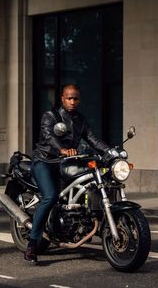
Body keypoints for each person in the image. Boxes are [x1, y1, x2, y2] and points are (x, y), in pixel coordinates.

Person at [24, 84, 110, 262]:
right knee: (50, 196)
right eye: (69, 98)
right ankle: (32, 244)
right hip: (45, 161)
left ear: (79, 99)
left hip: (66, 163)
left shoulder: (80, 119)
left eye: (75, 98)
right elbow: (49, 136)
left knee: (88, 185)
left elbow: (93, 138)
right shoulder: (50, 116)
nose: (72, 101)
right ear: (62, 98)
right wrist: (62, 149)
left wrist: (111, 152)